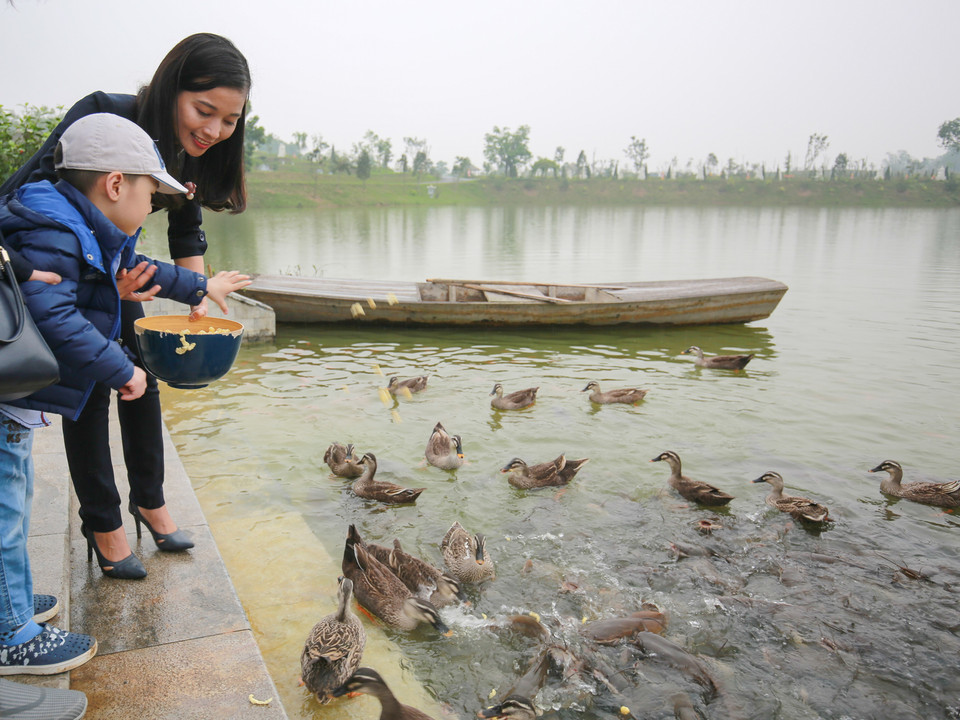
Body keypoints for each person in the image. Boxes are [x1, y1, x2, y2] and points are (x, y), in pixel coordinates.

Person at [0, 33, 251, 575]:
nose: (214, 130)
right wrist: (65, 276)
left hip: (119, 268)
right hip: (61, 269)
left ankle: (150, 500)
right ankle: (103, 523)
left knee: (144, 374)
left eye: (229, 120)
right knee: (92, 381)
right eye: (204, 110)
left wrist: (197, 304)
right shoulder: (104, 119)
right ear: (170, 87)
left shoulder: (193, 155)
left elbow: (188, 231)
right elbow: (24, 199)